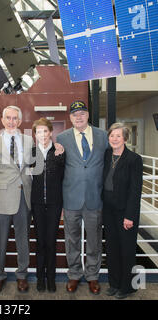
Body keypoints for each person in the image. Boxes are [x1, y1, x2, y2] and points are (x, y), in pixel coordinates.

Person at [56, 100, 108, 295]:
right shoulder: (62, 138)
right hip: (71, 199)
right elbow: (58, 170)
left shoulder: (103, 136)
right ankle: (75, 274)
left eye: (82, 113)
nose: (78, 117)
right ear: (70, 118)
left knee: (94, 239)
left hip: (95, 197)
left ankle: (93, 276)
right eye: (75, 114)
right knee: (72, 239)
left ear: (88, 115)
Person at [0, 105, 34, 294]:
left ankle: (22, 275)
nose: (12, 121)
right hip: (0, 201)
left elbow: (35, 168)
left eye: (15, 118)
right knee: (0, 241)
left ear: (20, 121)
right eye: (8, 118)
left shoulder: (29, 141)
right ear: (2, 120)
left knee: (23, 241)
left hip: (24, 198)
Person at [102, 123, 143, 299]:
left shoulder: (134, 159)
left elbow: (135, 190)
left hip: (125, 212)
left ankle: (127, 287)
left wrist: (130, 216)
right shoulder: (106, 155)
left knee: (126, 250)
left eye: (118, 136)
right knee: (111, 249)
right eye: (112, 135)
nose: (115, 139)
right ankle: (115, 283)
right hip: (108, 210)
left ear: (125, 138)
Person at [31, 118, 65, 293]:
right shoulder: (31, 152)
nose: (42, 135)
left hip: (54, 204)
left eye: (45, 131)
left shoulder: (59, 152)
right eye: (38, 132)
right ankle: (40, 279)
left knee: (51, 242)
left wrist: (64, 206)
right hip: (37, 204)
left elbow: (64, 178)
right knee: (40, 243)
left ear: (51, 132)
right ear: (35, 134)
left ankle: (51, 279)